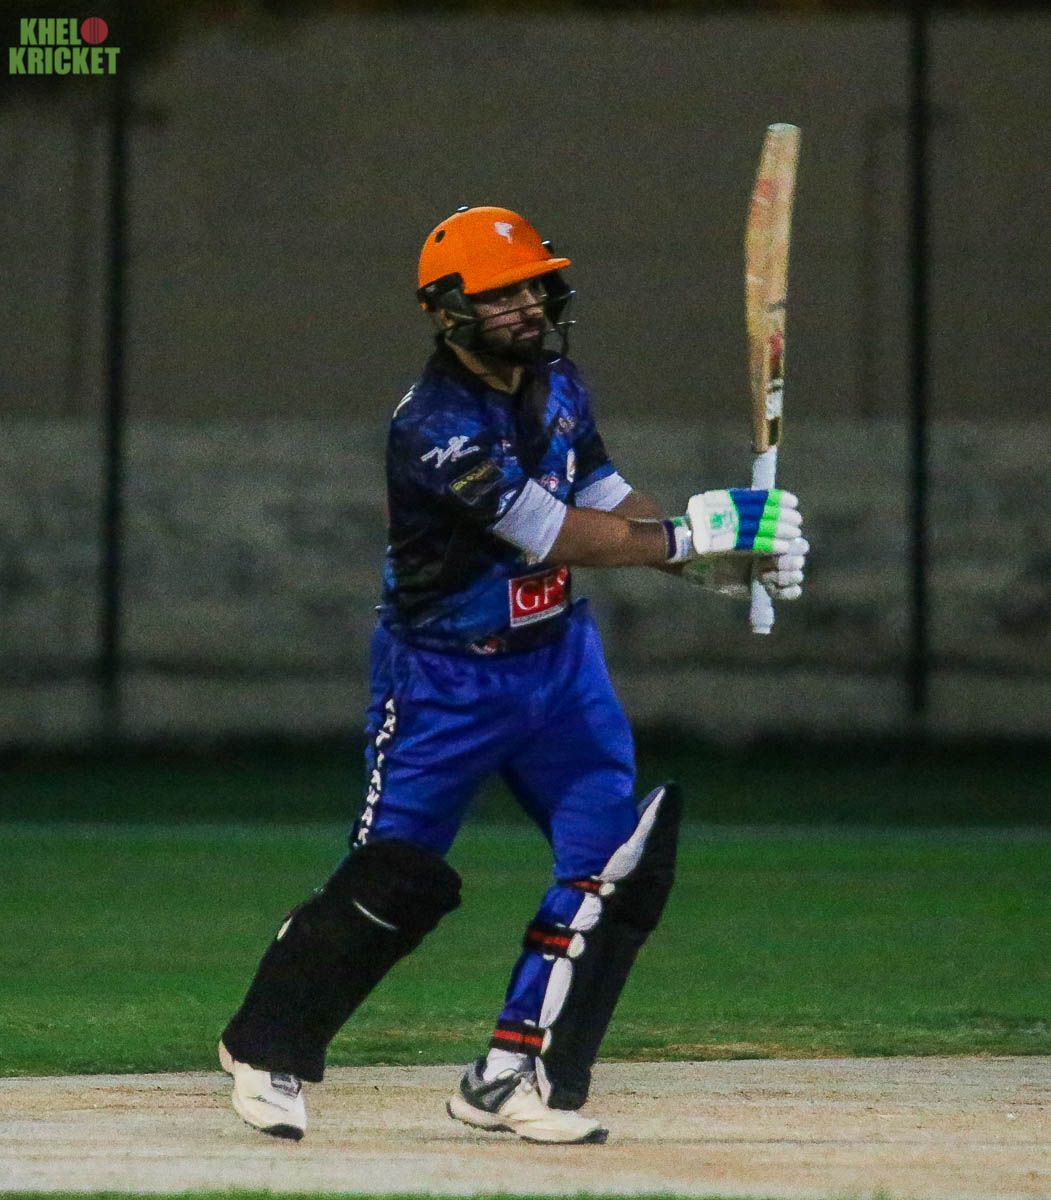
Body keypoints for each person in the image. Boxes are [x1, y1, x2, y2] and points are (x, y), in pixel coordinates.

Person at [218, 205, 809, 1145]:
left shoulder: (559, 382)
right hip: (441, 682)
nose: (527, 304)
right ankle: (267, 1046)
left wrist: (711, 567)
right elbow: (546, 529)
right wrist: (692, 534)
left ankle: (510, 1075)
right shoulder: (433, 426)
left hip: (559, 669)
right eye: (501, 294)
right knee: (391, 881)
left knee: (610, 863)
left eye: (534, 285)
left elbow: (602, 493)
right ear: (446, 311)